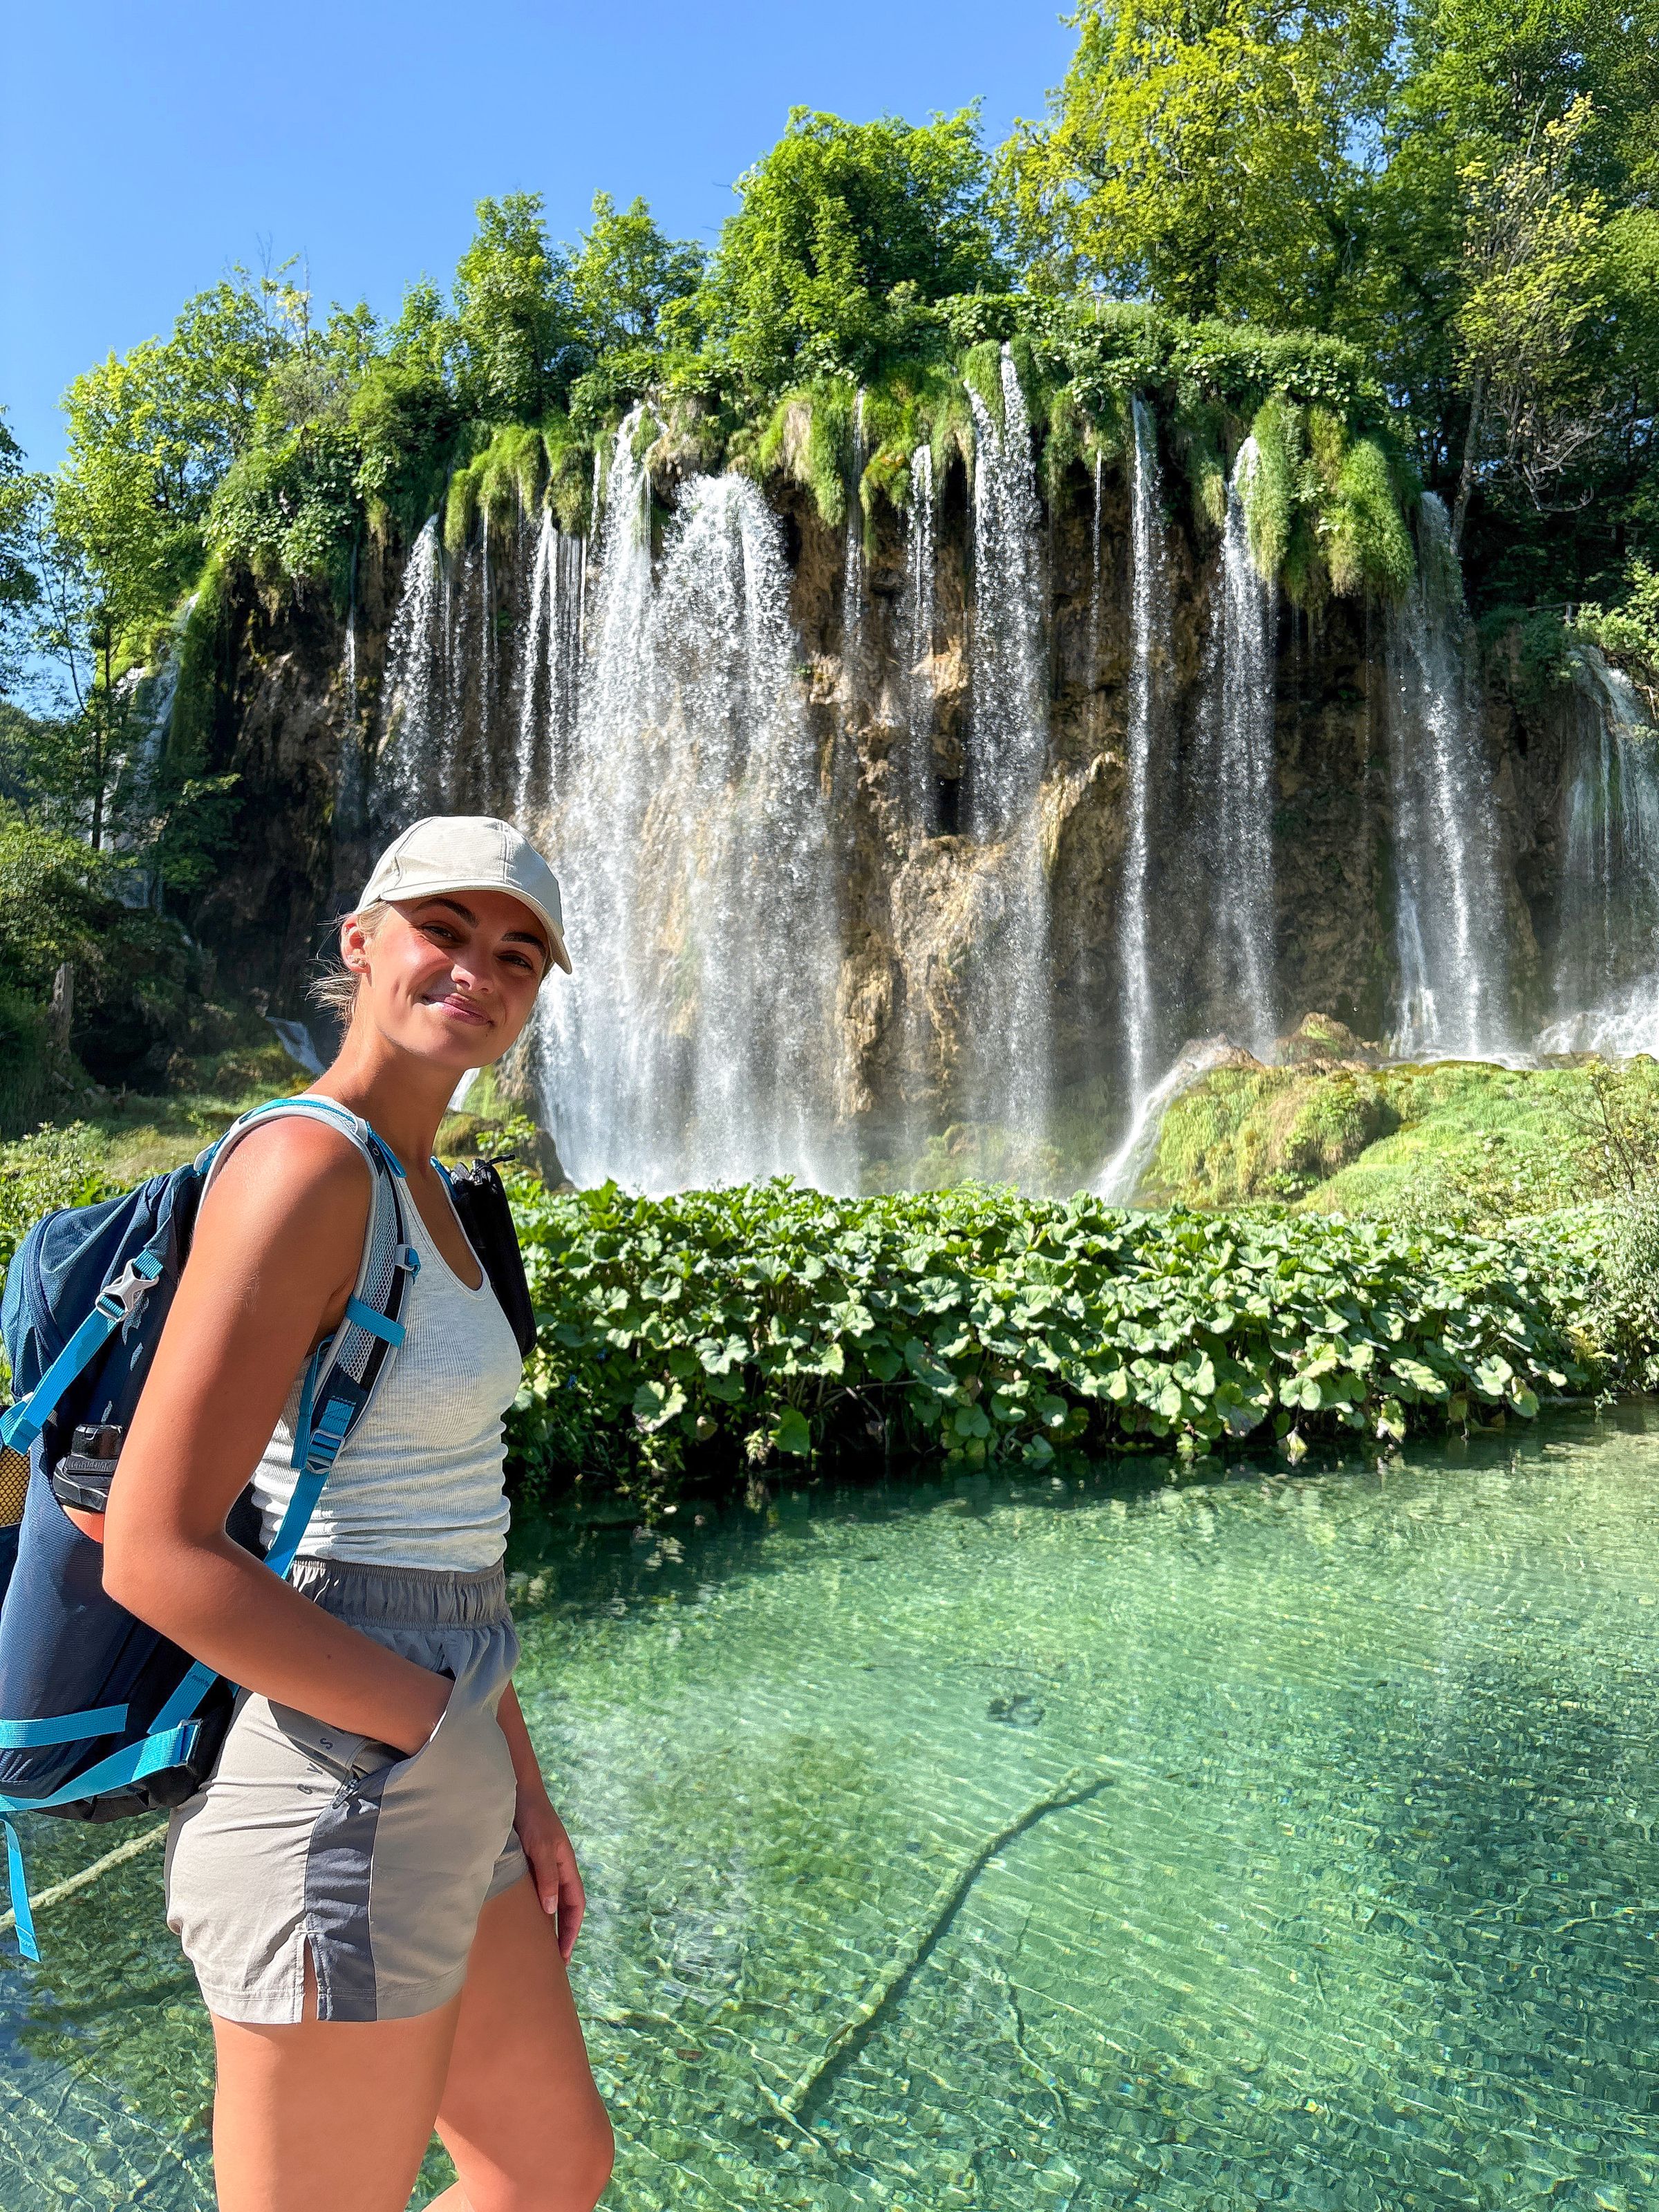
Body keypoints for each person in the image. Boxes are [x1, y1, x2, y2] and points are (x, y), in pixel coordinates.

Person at [103, 818, 615, 2212]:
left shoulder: (440, 1196)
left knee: (549, 2163)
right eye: (443, 929)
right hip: (342, 1762)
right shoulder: (302, 1169)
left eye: (517, 953)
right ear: (361, 942)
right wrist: (427, 1726)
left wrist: (516, 1780)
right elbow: (158, 1550)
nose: (478, 969)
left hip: (453, 1723)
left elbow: (456, 1534)